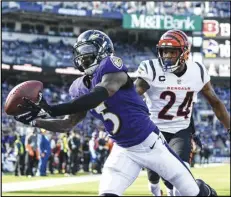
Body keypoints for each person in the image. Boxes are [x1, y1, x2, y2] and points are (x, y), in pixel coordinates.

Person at [14, 30, 217, 196]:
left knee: (192, 193)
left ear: (103, 52)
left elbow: (101, 93)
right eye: (80, 53)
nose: (83, 57)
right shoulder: (77, 88)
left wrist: (52, 108)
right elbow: (67, 124)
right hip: (123, 150)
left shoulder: (113, 69)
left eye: (88, 52)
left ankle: (205, 190)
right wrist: (36, 121)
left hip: (151, 144)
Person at [134, 29, 230, 196]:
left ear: (185, 53)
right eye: (164, 51)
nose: (167, 56)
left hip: (180, 130)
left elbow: (215, 102)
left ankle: (205, 191)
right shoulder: (152, 69)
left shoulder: (197, 71)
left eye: (172, 52)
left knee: (181, 184)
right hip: (153, 131)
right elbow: (132, 96)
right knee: (153, 181)